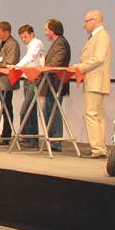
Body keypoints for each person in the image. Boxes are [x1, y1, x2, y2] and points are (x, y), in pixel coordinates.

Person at [75, 10, 112, 158]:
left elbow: (98, 58)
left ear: (94, 21)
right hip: (95, 81)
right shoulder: (99, 35)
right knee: (97, 115)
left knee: (90, 114)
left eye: (86, 21)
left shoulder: (101, 35)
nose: (85, 24)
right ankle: (100, 148)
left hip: (95, 81)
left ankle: (97, 148)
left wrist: (81, 67)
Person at [41, 19, 72, 151]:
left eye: (47, 29)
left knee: (54, 112)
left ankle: (56, 143)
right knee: (47, 111)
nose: (45, 32)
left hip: (56, 83)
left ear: (53, 31)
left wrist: (43, 66)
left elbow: (55, 64)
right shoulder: (57, 43)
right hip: (51, 83)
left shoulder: (61, 43)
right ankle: (52, 141)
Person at [15, 25, 46, 148]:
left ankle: (26, 136)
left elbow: (30, 58)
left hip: (34, 80)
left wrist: (17, 66)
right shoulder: (30, 45)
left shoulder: (37, 43)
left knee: (25, 110)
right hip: (28, 80)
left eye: (25, 37)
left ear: (32, 34)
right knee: (31, 111)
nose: (24, 40)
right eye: (22, 38)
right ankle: (32, 140)